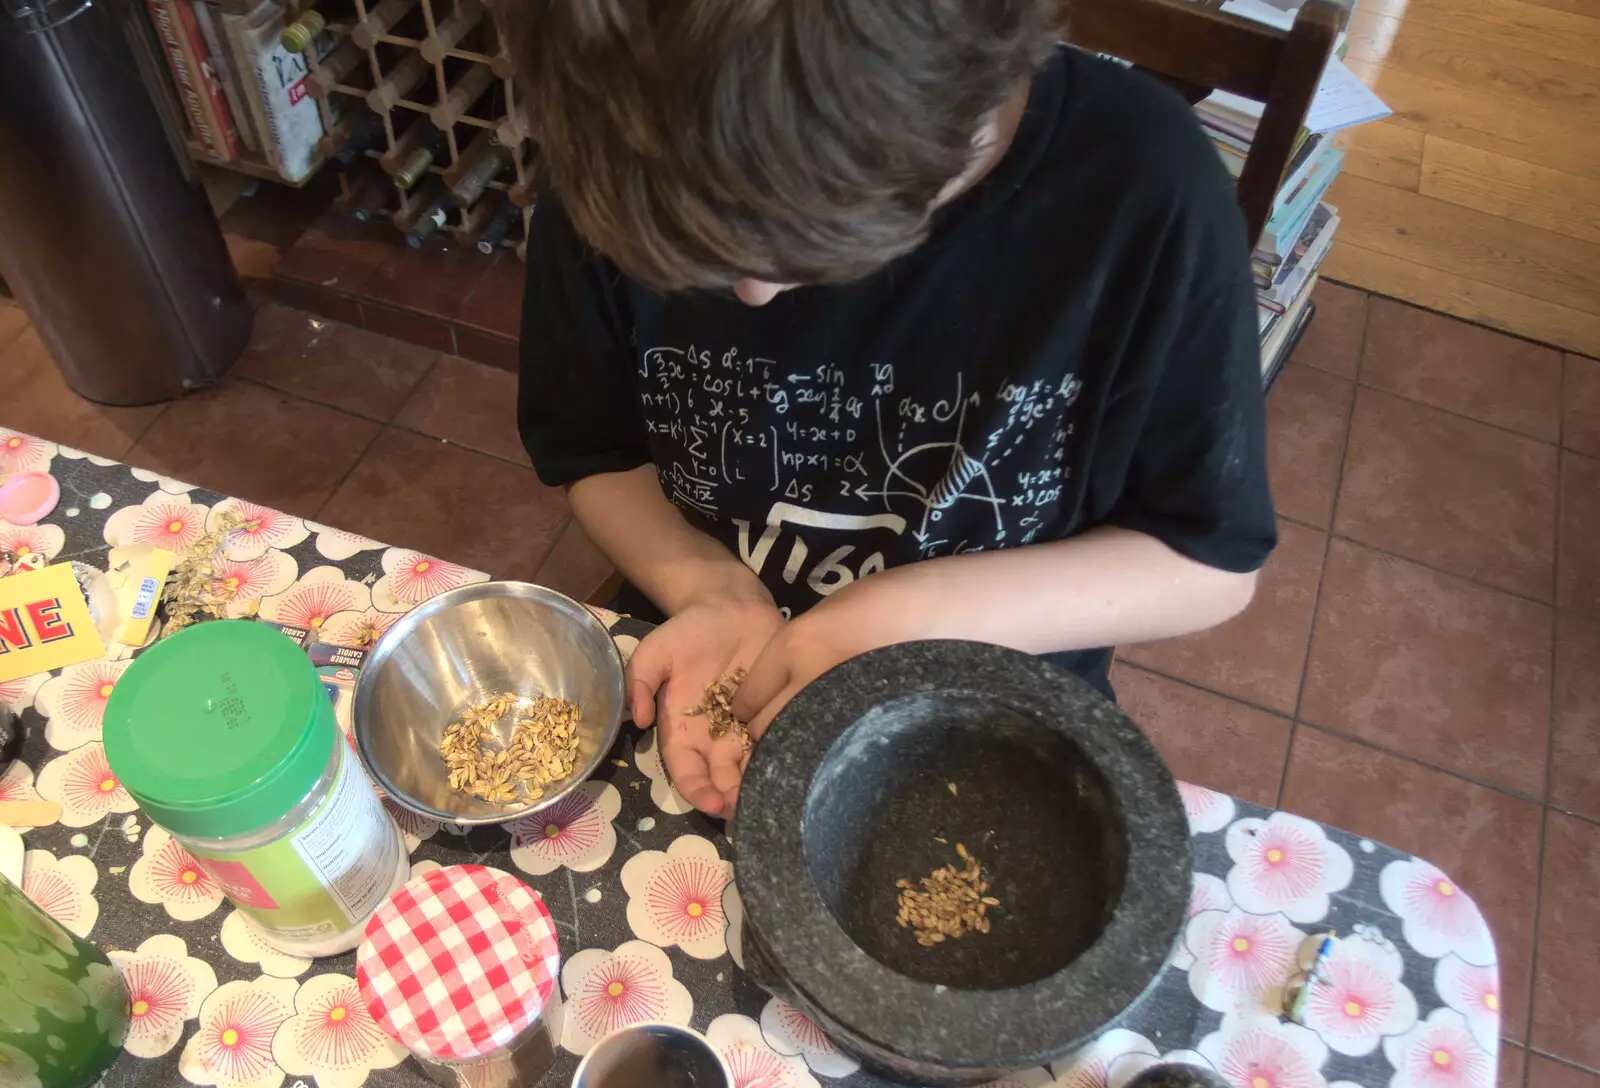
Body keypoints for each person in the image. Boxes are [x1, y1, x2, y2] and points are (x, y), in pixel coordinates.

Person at [505, 1, 1277, 817]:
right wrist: (706, 589)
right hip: (702, 624)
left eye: (807, 240)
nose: (753, 291)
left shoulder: (1147, 192)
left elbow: (1207, 562)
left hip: (992, 690)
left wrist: (898, 616)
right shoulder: (622, 134)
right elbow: (593, 446)